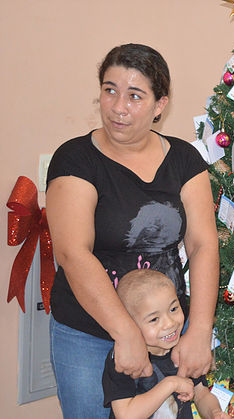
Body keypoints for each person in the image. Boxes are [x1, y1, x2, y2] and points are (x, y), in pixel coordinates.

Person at [46, 44, 219, 418]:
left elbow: (204, 245)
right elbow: (73, 254)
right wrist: (125, 333)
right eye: (110, 90)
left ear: (161, 105)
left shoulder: (185, 160)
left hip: (168, 328)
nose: (118, 106)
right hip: (88, 333)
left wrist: (200, 329)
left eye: (135, 95)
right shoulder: (75, 159)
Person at [103, 269, 229, 419]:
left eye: (173, 309)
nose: (169, 323)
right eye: (154, 319)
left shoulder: (184, 349)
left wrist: (214, 413)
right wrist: (171, 384)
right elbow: (126, 415)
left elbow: (201, 395)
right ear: (131, 324)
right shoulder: (124, 360)